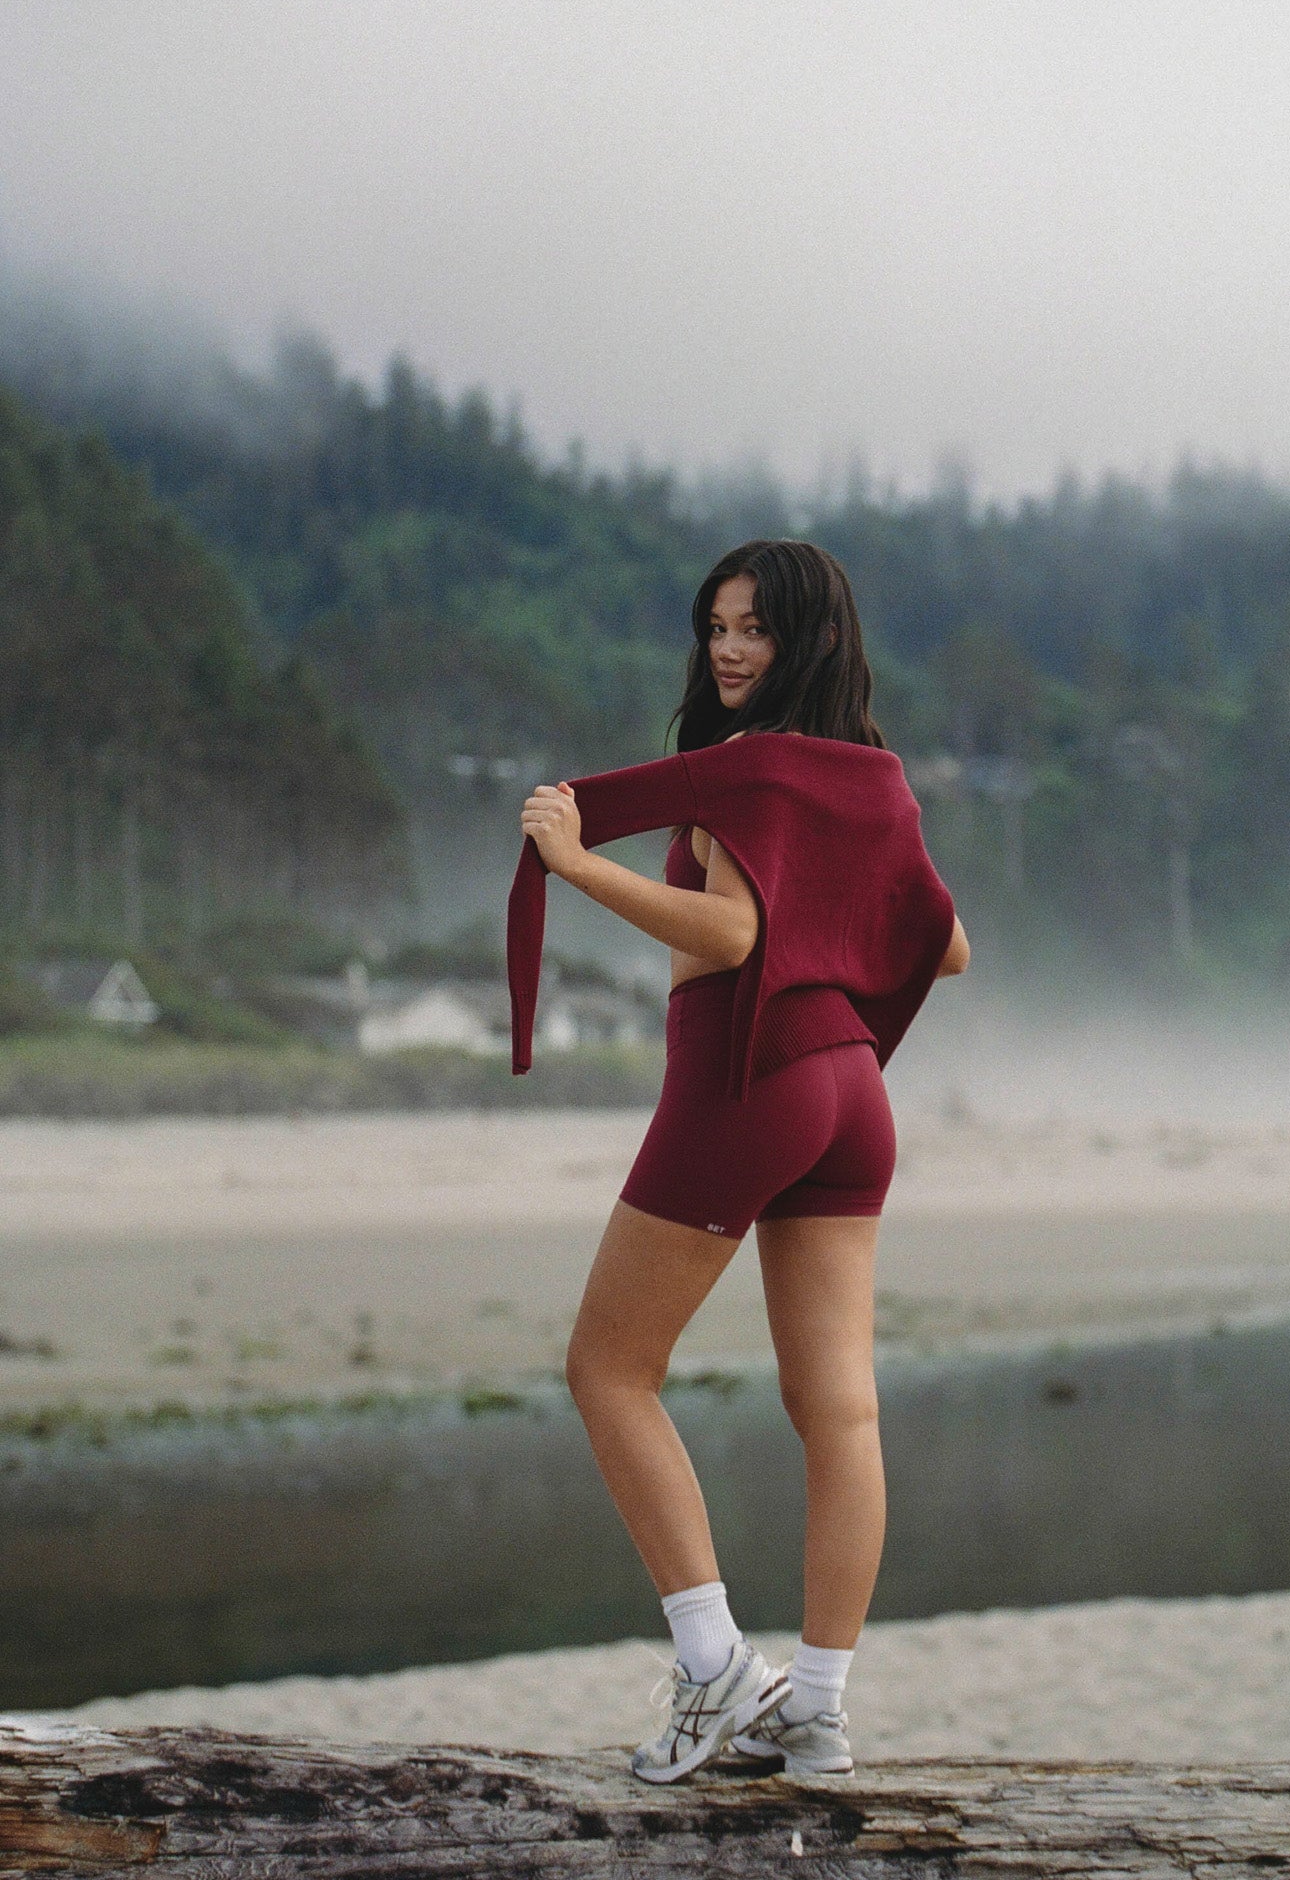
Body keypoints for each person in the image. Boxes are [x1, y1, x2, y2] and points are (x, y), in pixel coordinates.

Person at [513, 538, 968, 1785]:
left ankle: (715, 1665)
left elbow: (732, 930)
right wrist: (832, 943)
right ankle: (815, 1706)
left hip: (751, 1075)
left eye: (756, 628)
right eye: (717, 623)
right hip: (853, 1096)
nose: (728, 648)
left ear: (808, 638)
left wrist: (579, 863)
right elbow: (949, 942)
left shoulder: (745, 771)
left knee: (608, 1367)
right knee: (840, 1407)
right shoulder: (872, 779)